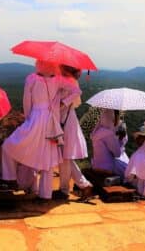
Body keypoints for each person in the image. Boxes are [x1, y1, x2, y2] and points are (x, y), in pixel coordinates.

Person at [2, 60, 81, 200]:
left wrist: (27, 119)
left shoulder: (31, 78)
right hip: (51, 121)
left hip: (35, 117)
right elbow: (77, 91)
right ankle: (45, 194)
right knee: (48, 158)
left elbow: (27, 101)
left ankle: (11, 178)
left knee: (9, 145)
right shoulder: (58, 80)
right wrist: (63, 103)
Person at [53, 65, 93, 199]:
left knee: (64, 157)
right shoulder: (67, 80)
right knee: (66, 157)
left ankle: (64, 190)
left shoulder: (69, 82)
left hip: (66, 122)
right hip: (67, 120)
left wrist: (62, 103)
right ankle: (84, 185)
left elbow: (76, 93)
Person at [90, 109, 129, 179]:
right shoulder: (108, 134)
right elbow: (117, 154)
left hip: (96, 165)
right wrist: (121, 140)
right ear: (112, 118)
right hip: (108, 168)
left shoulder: (97, 131)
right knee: (128, 172)